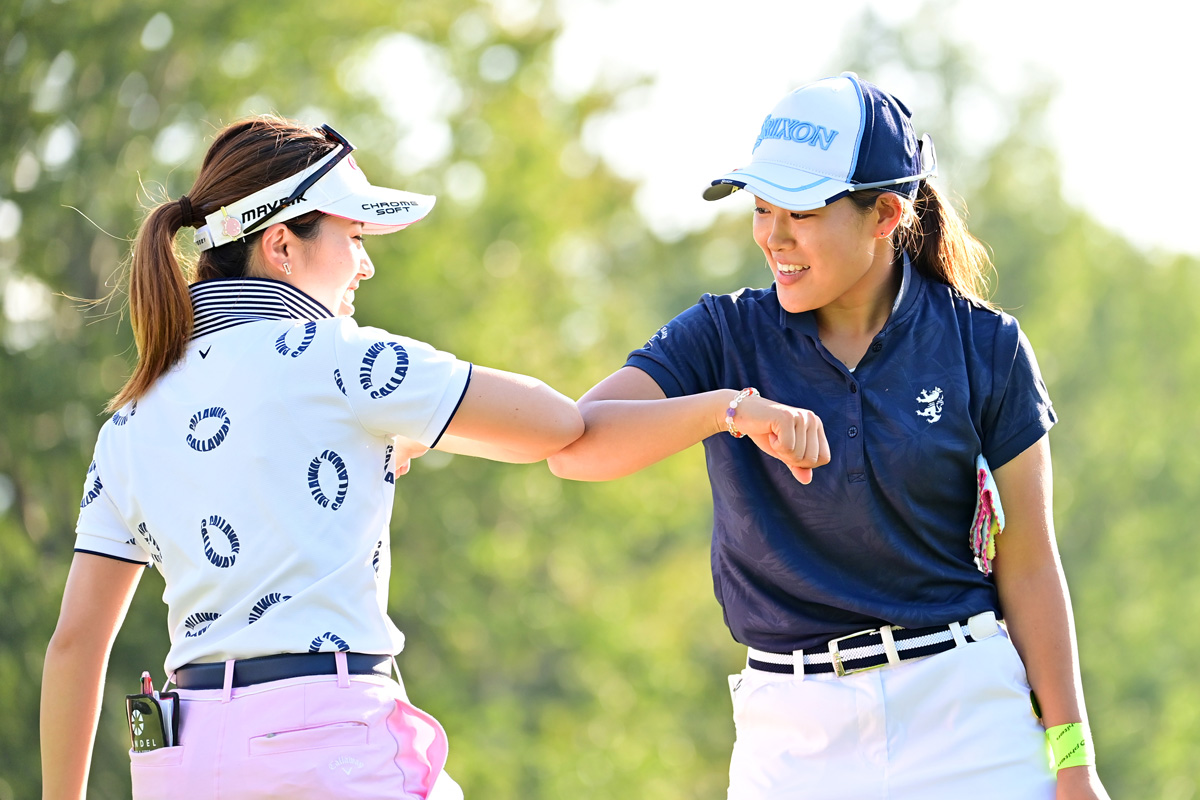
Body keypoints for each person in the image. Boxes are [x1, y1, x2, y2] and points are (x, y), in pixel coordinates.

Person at [548, 73, 1110, 799]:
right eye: (760, 209)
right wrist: (730, 410)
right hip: (790, 739)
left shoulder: (985, 346)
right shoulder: (723, 334)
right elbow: (577, 447)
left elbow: (1029, 563)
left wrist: (1073, 760)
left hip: (967, 719)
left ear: (884, 214)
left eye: (800, 213)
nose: (772, 238)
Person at [41, 116, 583, 800]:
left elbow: (74, 644)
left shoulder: (130, 417)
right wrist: (413, 431)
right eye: (353, 236)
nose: (366, 263)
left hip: (184, 761)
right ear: (281, 246)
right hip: (325, 752)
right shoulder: (343, 357)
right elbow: (556, 423)